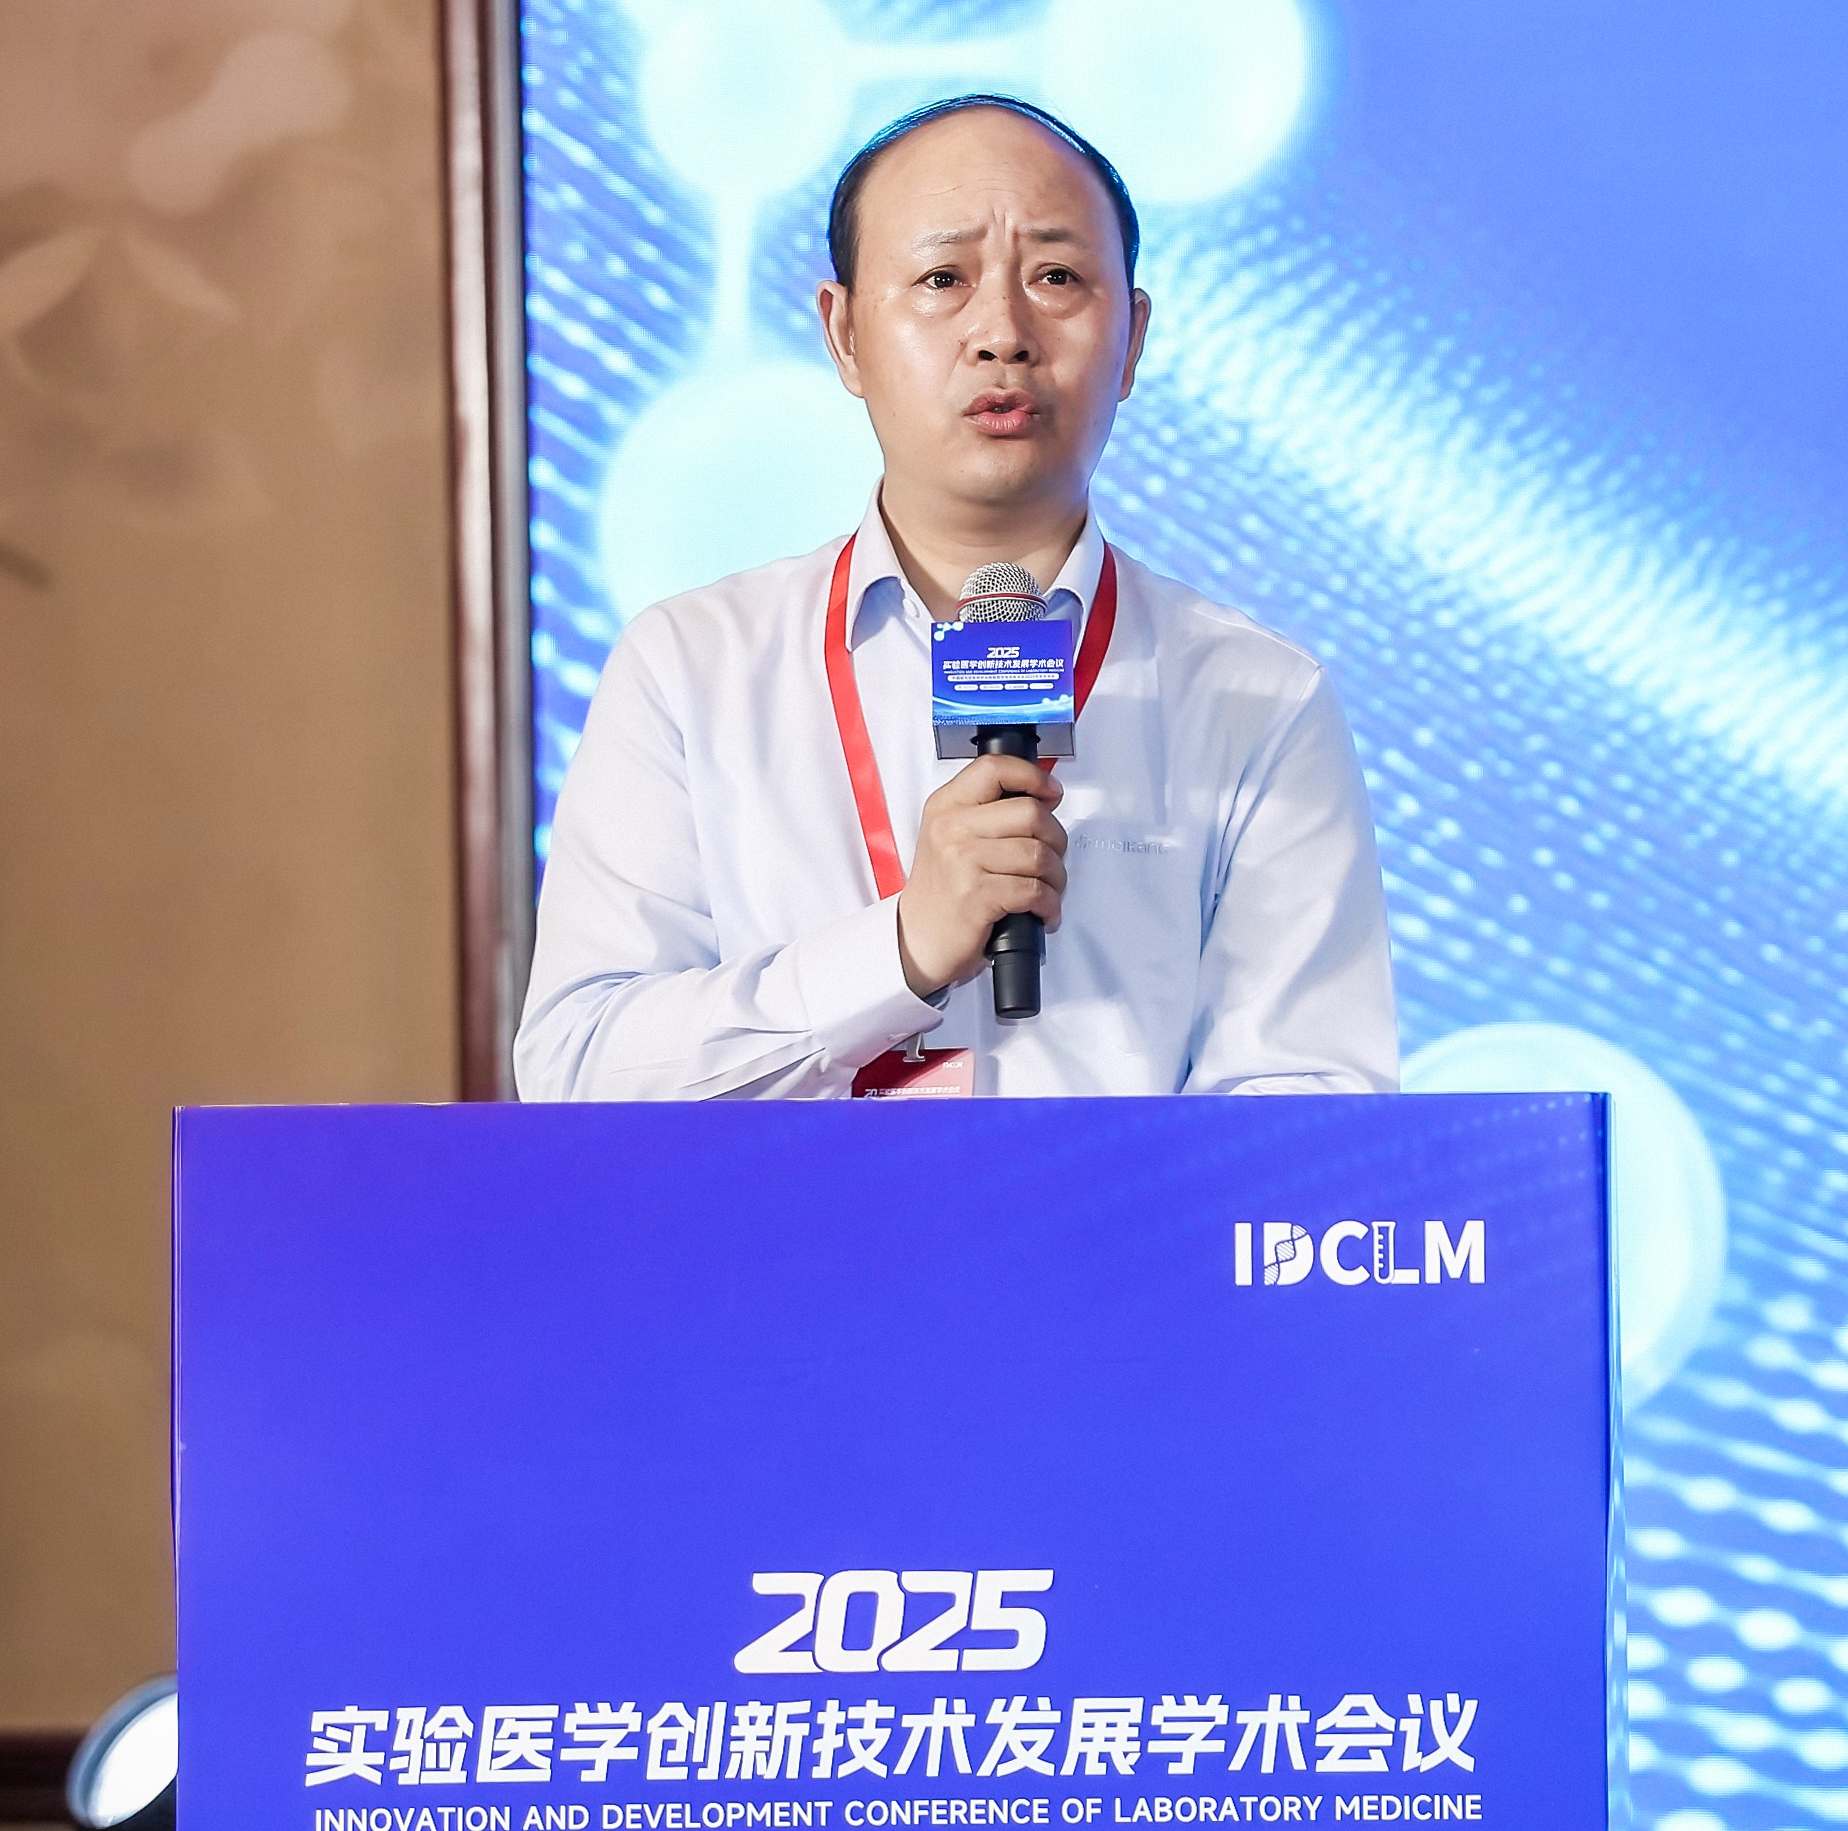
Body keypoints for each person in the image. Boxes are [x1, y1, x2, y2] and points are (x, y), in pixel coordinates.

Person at [516, 96, 1396, 1100]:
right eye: (943, 279)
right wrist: (900, 947)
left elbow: (1311, 1108)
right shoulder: (690, 668)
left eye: (1056, 278)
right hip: (799, 1215)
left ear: (1134, 338)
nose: (1001, 334)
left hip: (1122, 1214)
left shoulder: (1256, 699)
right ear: (844, 334)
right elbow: (580, 1070)